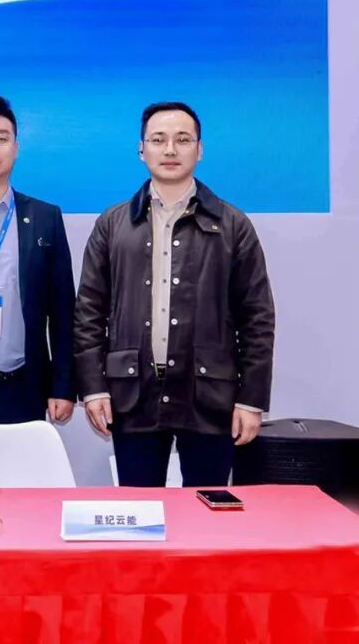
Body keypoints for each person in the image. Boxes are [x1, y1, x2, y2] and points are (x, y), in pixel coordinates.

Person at [74, 102, 275, 487]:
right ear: (141, 150)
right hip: (132, 394)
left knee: (205, 510)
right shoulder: (113, 224)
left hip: (209, 395)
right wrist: (93, 388)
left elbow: (257, 318)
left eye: (182, 140)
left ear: (199, 150)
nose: (170, 150)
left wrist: (251, 399)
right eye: (158, 140)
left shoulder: (233, 225)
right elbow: (88, 313)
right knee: (141, 511)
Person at [0, 95, 76, 425]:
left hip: (24, 386)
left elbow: (63, 310)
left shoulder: (44, 217)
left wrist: (63, 385)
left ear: (16, 148)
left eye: (1, 138)